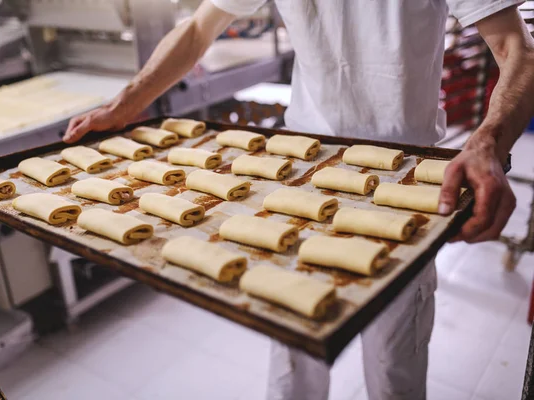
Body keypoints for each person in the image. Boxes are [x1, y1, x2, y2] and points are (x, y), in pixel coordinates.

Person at [64, 1, 534, 399]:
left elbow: (516, 48)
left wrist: (489, 140)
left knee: (395, 361)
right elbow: (196, 31)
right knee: (291, 351)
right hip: (303, 170)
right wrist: (125, 103)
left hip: (407, 180)